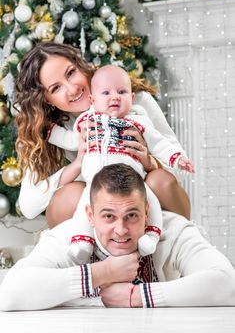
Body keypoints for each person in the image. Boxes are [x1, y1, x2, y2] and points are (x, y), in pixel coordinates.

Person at [0, 163, 234, 311]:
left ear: (146, 212)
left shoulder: (173, 230)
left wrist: (138, 296)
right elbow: (9, 294)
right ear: (90, 216)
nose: (121, 230)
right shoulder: (68, 237)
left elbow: (227, 284)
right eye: (109, 216)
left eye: (131, 215)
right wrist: (102, 273)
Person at [15, 42, 191, 229]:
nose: (72, 89)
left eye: (71, 73)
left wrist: (149, 162)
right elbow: (28, 205)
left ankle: (174, 247)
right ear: (46, 100)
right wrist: (78, 165)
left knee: (160, 181)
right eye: (55, 88)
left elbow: (181, 169)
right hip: (96, 210)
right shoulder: (49, 130)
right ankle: (87, 253)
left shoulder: (133, 100)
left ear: (81, 65)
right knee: (68, 196)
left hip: (141, 196)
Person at [48, 65, 194, 262]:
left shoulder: (137, 120)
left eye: (122, 92)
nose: (114, 97)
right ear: (94, 100)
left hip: (133, 179)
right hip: (96, 181)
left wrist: (176, 158)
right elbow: (71, 140)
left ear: (131, 97)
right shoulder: (87, 121)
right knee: (86, 204)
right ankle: (82, 242)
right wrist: (50, 133)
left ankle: (151, 236)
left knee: (149, 202)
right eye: (106, 93)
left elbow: (159, 142)